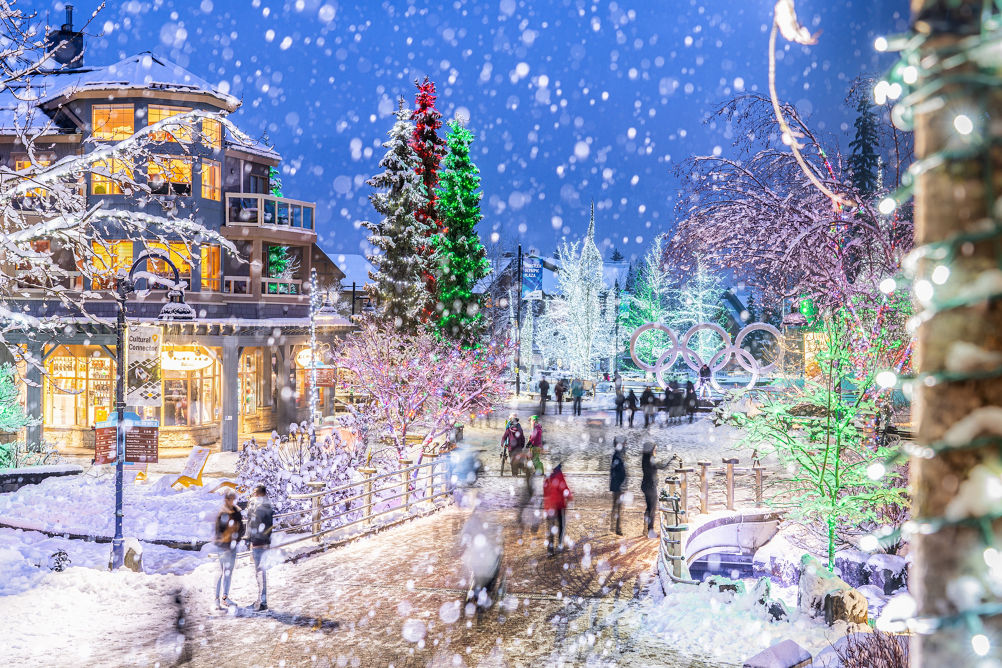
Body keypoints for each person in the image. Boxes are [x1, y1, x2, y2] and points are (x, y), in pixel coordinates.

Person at [245, 484, 274, 611]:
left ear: (259, 494)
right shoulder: (265, 505)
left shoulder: (262, 507)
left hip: (259, 543)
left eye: (254, 493)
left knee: (260, 573)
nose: (253, 496)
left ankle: (263, 602)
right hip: (261, 542)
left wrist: (250, 508)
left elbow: (255, 522)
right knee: (260, 573)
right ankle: (261, 600)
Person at [214, 490, 244, 609]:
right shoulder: (222, 513)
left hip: (232, 546)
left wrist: (236, 540)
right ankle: (216, 598)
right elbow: (219, 532)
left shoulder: (237, 512)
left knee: (228, 572)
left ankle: (225, 597)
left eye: (233, 499)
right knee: (222, 572)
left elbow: (241, 528)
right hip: (223, 547)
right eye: (229, 499)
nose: (231, 501)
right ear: (226, 500)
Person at [641, 442, 671, 538]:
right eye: (654, 449)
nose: (656, 451)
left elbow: (658, 464)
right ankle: (650, 531)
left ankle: (645, 529)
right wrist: (670, 459)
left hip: (646, 485)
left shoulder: (645, 459)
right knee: (652, 510)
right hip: (651, 487)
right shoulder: (651, 460)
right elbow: (662, 465)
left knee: (649, 508)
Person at [543, 464, 572, 554]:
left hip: (549, 506)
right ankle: (560, 545)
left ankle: (550, 550)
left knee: (550, 528)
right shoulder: (560, 476)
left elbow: (545, 491)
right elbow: (565, 489)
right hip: (559, 506)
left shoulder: (547, 477)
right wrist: (570, 497)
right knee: (561, 526)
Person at [609, 438, 627, 535]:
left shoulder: (617, 455)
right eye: (624, 444)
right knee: (618, 507)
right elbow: (620, 473)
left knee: (616, 506)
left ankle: (613, 526)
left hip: (617, 486)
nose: (625, 445)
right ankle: (617, 529)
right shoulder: (618, 456)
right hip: (619, 487)